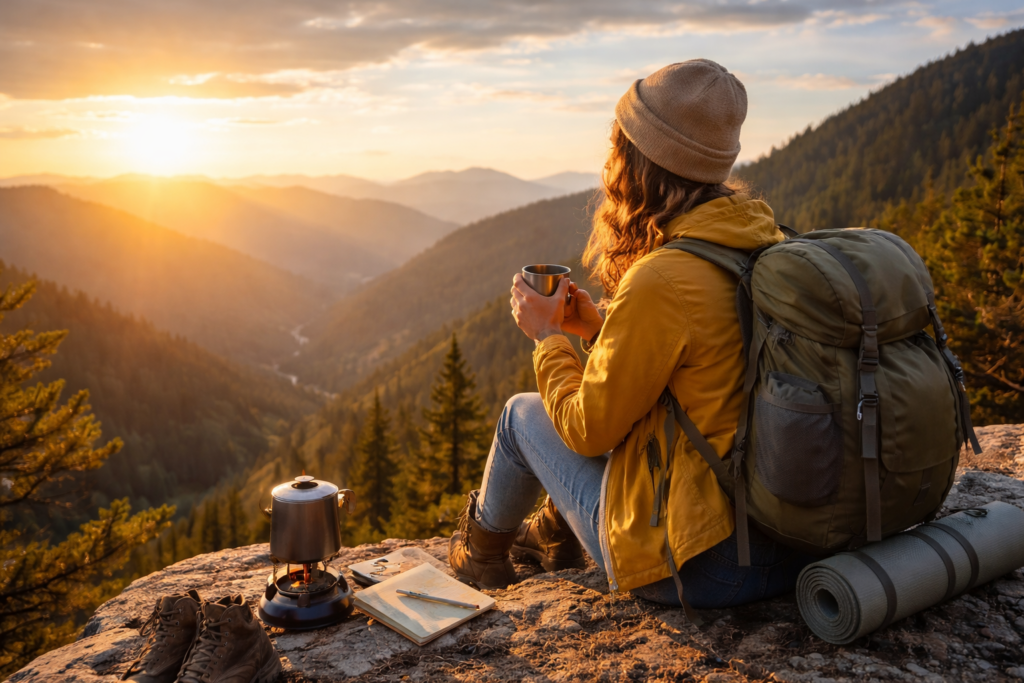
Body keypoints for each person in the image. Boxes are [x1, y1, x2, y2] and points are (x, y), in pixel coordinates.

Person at [448, 59, 812, 609]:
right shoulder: (761, 240)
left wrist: (548, 337)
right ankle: (551, 536)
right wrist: (598, 328)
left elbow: (586, 429)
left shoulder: (663, 277)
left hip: (701, 566)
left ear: (642, 162)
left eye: (619, 147)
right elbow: (693, 381)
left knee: (522, 415)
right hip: (783, 544)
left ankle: (479, 560)